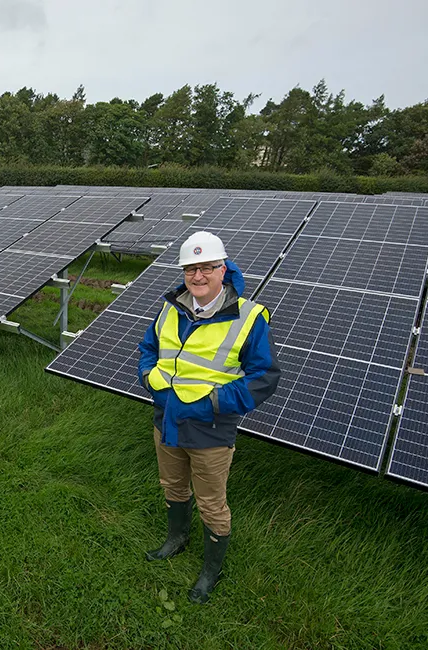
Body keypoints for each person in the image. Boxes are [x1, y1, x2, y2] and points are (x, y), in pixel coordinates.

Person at [137, 231, 280, 604]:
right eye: (190, 269)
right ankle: (176, 538)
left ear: (223, 269)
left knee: (212, 503)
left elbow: (263, 378)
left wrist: (211, 403)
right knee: (172, 485)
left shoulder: (248, 317)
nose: (197, 277)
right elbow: (148, 348)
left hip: (211, 431)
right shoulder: (171, 307)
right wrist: (149, 380)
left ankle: (210, 571)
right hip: (165, 420)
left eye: (206, 268)